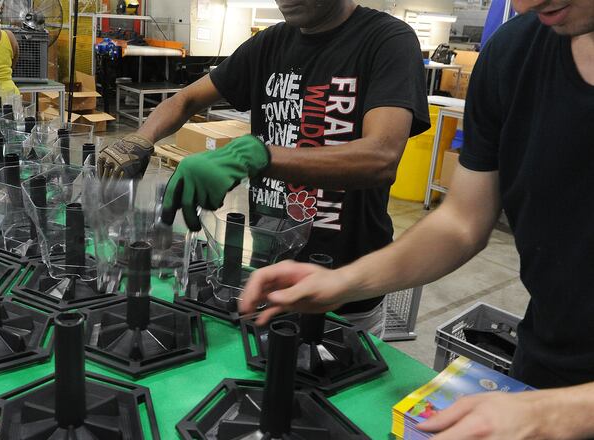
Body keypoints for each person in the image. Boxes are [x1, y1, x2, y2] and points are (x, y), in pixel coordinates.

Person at [240, 0, 594, 437]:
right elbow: (461, 222)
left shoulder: (385, 39)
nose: (524, 3)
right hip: (542, 371)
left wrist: (565, 412)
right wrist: (345, 282)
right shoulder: (514, 53)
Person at [97, 0, 430, 334]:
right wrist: (139, 139)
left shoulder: (386, 40)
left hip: (345, 295)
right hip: (267, 281)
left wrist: (256, 156)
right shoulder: (269, 45)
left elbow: (381, 156)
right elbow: (186, 99)